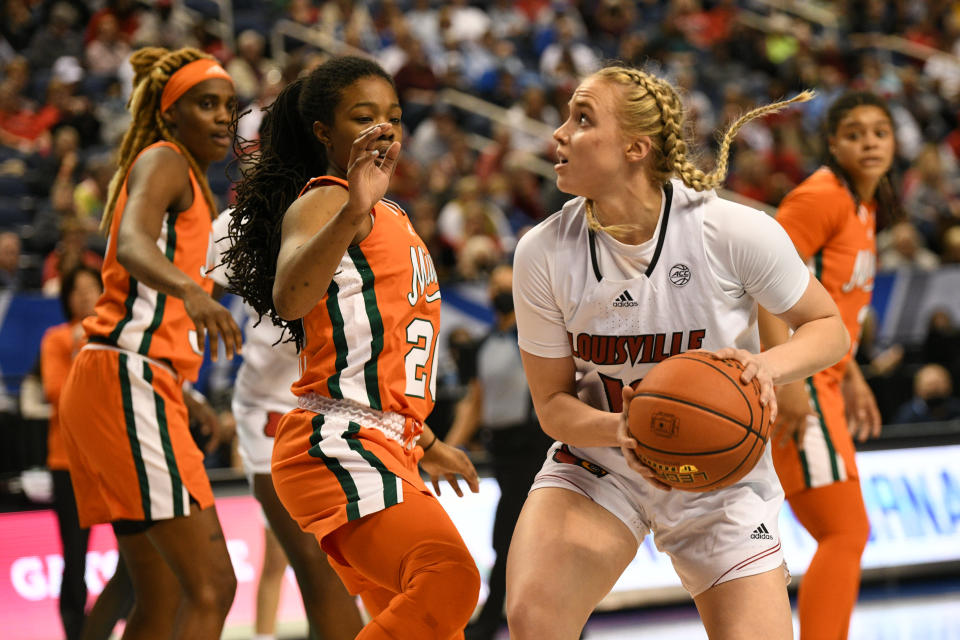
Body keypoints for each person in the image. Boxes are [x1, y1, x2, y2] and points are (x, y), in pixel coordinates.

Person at [505, 64, 850, 640]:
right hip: (604, 462)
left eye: (582, 119)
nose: (559, 133)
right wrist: (626, 430)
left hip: (721, 477)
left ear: (636, 147)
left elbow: (826, 327)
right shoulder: (541, 252)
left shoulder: (730, 230)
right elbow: (552, 407)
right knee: (534, 620)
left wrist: (767, 366)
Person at [224, 55, 481, 640]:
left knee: (437, 624)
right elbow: (288, 296)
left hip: (391, 442)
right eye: (364, 117)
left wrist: (427, 439)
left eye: (393, 115)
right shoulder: (326, 200)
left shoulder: (390, 210)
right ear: (324, 133)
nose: (384, 128)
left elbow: (383, 349)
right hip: (339, 442)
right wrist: (350, 212)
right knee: (450, 578)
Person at [57, 46, 243, 639]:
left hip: (134, 377)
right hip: (124, 376)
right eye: (205, 104)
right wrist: (193, 291)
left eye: (229, 106)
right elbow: (132, 244)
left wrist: (185, 393)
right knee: (212, 586)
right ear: (170, 115)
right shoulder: (164, 159)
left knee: (157, 595)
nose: (221, 117)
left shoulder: (191, 182)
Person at [760, 91, 896, 640]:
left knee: (844, 532)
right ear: (833, 143)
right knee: (845, 531)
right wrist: (783, 375)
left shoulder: (864, 206)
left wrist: (856, 375)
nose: (869, 141)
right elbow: (762, 285)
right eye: (855, 132)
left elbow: (830, 306)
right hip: (804, 380)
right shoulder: (821, 196)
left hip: (829, 379)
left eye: (879, 131)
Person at [206, 208, 364, 639]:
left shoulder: (363, 211)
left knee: (346, 563)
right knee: (306, 561)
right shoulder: (238, 221)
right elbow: (197, 299)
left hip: (343, 404)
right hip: (271, 405)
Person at [444, 264, 552, 640]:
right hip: (502, 452)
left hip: (537, 449)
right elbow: (474, 402)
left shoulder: (539, 337)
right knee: (513, 540)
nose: (502, 290)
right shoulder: (482, 345)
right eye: (496, 285)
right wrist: (449, 446)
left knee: (515, 538)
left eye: (509, 285)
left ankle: (491, 621)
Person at [39, 265, 133, 640]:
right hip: (67, 463)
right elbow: (56, 393)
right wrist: (82, 346)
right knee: (75, 556)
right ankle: (76, 632)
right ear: (66, 297)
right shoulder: (55, 339)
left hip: (111, 460)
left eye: (91, 287)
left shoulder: (116, 337)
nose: (84, 295)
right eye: (76, 290)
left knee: (133, 553)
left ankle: (120, 624)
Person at [894, 363, 960, 424]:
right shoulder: (906, 416)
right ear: (917, 388)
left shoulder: (956, 409)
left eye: (938, 383)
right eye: (929, 384)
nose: (934, 389)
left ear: (949, 385)